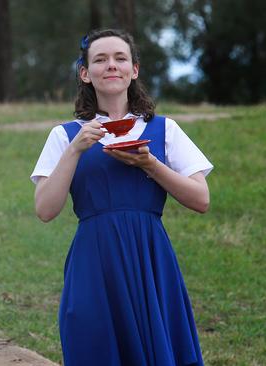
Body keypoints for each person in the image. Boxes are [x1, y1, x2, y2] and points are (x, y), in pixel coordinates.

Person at [31, 28, 213, 366]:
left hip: (150, 256)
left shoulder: (164, 129)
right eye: (100, 59)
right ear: (85, 74)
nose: (111, 65)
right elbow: (45, 209)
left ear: (134, 69)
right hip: (93, 260)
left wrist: (151, 165)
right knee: (93, 345)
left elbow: (201, 199)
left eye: (120, 58)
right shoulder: (65, 135)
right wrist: (75, 150)